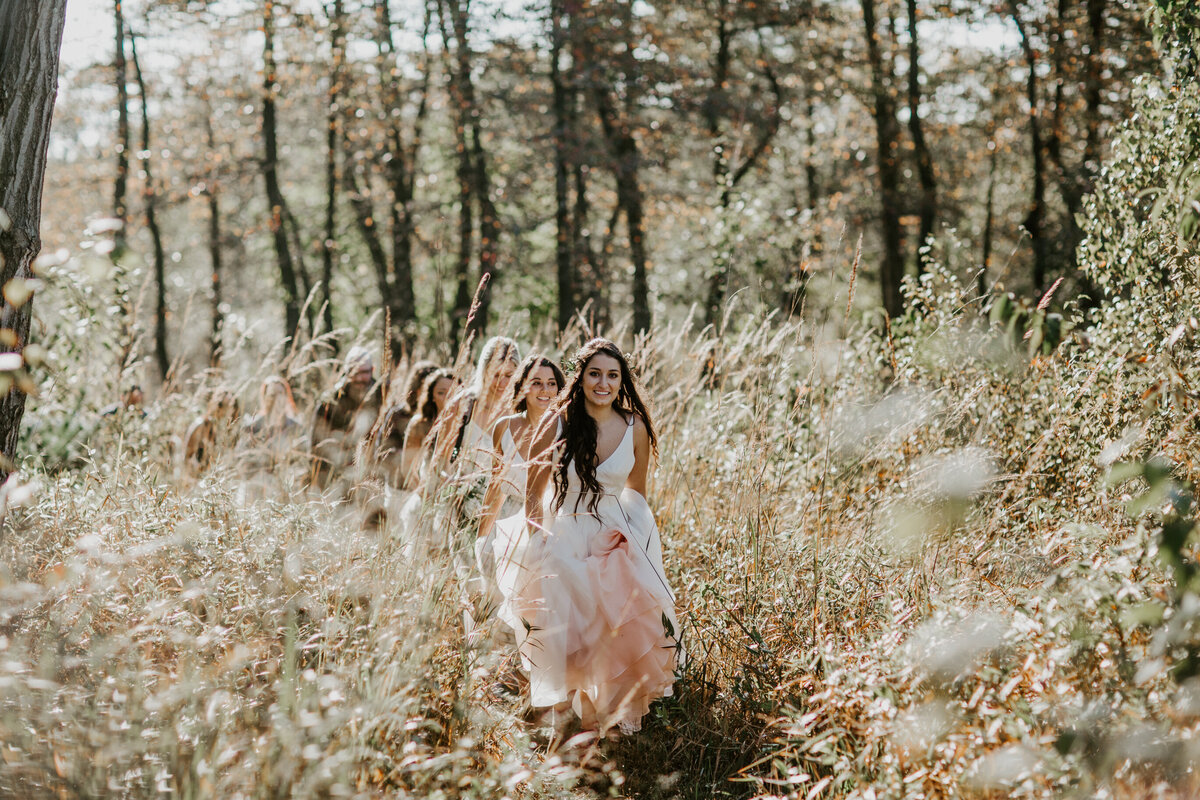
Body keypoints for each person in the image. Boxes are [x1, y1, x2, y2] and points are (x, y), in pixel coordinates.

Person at [513, 338, 682, 735]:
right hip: (565, 530)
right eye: (594, 374)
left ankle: (606, 714)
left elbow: (636, 493)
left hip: (614, 532)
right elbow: (533, 493)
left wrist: (639, 544)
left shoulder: (634, 426)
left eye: (612, 375)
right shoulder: (557, 422)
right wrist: (537, 542)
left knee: (619, 624)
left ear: (621, 381)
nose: (602, 383)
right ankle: (574, 719)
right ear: (581, 377)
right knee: (572, 626)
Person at [475, 353, 564, 588]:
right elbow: (495, 489)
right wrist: (482, 539)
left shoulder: (567, 429)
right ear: (523, 387)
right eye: (537, 383)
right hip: (508, 527)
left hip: (552, 527)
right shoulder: (504, 426)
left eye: (551, 383)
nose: (545, 390)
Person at [309, 346, 380, 489]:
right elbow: (316, 443)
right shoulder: (331, 401)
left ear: (372, 370)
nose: (359, 378)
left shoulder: (382, 395)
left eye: (364, 372)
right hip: (337, 473)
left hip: (374, 474)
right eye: (354, 372)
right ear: (346, 372)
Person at [369, 359, 439, 488]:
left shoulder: (440, 416)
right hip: (400, 487)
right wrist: (411, 456)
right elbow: (383, 451)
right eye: (426, 388)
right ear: (416, 388)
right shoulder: (398, 415)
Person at [185, 388, 240, 476]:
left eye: (231, 407)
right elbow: (187, 457)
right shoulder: (201, 425)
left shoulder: (231, 431)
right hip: (200, 480)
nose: (226, 410)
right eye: (222, 405)